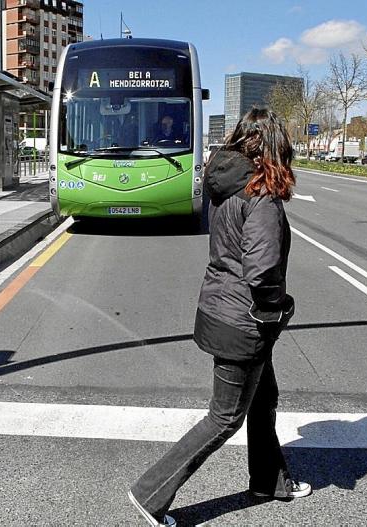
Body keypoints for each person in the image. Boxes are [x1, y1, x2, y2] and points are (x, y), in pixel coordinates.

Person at [128, 108, 311, 527]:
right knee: (224, 417)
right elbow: (261, 268)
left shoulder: (227, 185)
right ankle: (150, 493)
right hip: (244, 319)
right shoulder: (261, 197)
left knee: (263, 398)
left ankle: (270, 482)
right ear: (274, 147)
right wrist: (275, 307)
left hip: (221, 307)